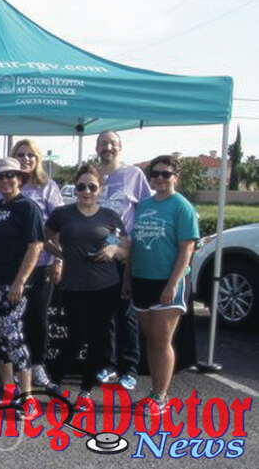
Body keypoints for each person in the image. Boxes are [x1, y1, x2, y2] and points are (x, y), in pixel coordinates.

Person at [44, 164, 129, 412]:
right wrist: (61, 254)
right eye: (81, 186)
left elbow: (124, 250)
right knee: (75, 338)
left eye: (92, 186)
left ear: (99, 189)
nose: (87, 191)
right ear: (75, 188)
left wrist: (114, 249)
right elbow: (44, 237)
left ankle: (85, 391)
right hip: (74, 286)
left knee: (98, 341)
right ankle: (53, 384)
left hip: (105, 286)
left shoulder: (110, 217)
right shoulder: (63, 214)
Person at [127, 155, 199, 414]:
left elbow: (186, 248)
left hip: (168, 282)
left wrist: (172, 284)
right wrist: (127, 279)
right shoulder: (144, 205)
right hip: (142, 279)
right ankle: (154, 392)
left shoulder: (182, 207)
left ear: (175, 176)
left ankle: (161, 396)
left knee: (161, 339)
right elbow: (134, 245)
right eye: (154, 173)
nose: (159, 178)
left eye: (165, 174)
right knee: (150, 338)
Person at [0, 158, 44, 414]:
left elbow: (35, 246)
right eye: (0, 177)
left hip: (13, 284)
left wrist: (19, 282)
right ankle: (7, 390)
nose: (5, 181)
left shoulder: (28, 208)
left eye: (10, 176)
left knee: (12, 335)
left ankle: (27, 398)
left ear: (20, 178)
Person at [95, 130, 150, 390]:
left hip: (123, 254)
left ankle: (129, 367)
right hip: (96, 256)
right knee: (103, 314)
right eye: (103, 143)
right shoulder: (92, 175)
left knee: (126, 314)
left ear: (120, 147)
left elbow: (146, 212)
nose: (108, 147)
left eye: (112, 143)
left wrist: (120, 245)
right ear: (97, 147)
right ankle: (108, 365)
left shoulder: (134, 175)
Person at [8, 139, 64, 388]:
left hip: (42, 263)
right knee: (11, 319)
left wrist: (59, 258)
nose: (26, 159)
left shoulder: (47, 186)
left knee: (37, 317)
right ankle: (14, 370)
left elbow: (60, 225)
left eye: (31, 155)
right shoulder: (7, 184)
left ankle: (38, 366)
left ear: (38, 158)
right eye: (21, 154)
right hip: (12, 264)